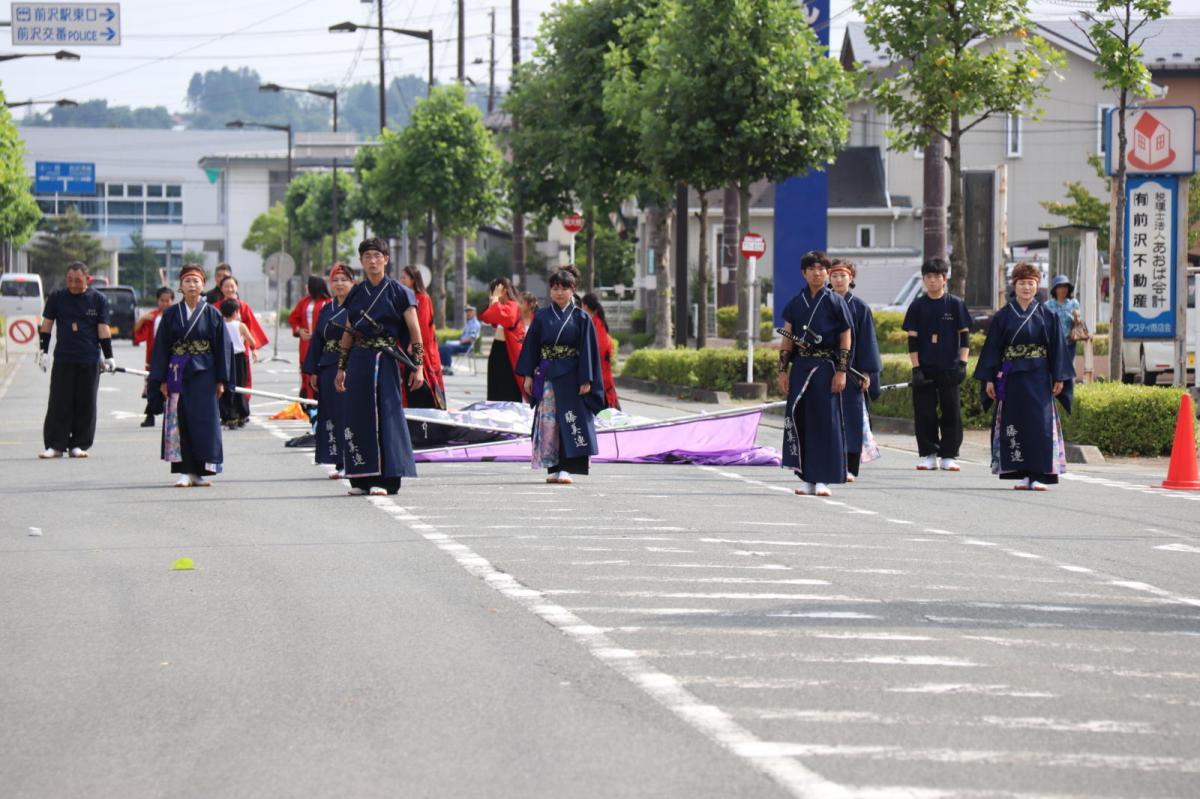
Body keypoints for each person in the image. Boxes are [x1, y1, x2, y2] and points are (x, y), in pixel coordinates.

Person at [333, 239, 424, 496]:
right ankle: (361, 479)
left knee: (386, 414)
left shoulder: (399, 292)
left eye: (377, 255)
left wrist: (418, 366)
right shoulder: (356, 293)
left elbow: (415, 331)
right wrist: (341, 367)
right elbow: (349, 330)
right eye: (367, 256)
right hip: (359, 359)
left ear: (386, 259)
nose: (372, 261)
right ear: (361, 261)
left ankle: (387, 480)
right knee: (358, 415)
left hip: (385, 359)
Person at [975, 262, 1075, 491]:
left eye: (1031, 283)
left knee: (1039, 424)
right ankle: (1022, 474)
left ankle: (1038, 474)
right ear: (1015, 285)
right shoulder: (1003, 316)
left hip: (1039, 377)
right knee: (1015, 423)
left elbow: (1058, 349)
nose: (1026, 288)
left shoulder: (1047, 315)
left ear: (1037, 286)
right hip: (1011, 377)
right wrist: (989, 378)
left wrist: (1059, 377)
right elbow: (992, 349)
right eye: (1022, 283)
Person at [516, 269, 606, 485]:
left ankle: (566, 467)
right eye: (555, 288)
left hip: (572, 376)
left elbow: (588, 351)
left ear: (573, 290)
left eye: (564, 288)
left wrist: (586, 379)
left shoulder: (581, 318)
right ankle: (553, 466)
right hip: (547, 375)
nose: (559, 292)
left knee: (570, 420)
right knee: (549, 422)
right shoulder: (542, 317)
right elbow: (531, 347)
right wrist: (528, 375)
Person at [147, 264, 232, 487]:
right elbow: (161, 348)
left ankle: (199, 471)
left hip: (205, 373)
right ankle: (184, 470)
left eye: (196, 281)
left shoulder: (212, 313)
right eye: (187, 281)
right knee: (181, 419)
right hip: (177, 372)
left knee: (204, 421)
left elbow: (222, 348)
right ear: (180, 286)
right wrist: (161, 379)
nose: (192, 285)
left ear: (203, 285)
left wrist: (221, 380)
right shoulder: (171, 314)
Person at [777, 251, 854, 497]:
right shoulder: (795, 303)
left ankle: (823, 478)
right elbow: (787, 338)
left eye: (821, 269)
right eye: (812, 269)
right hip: (800, 367)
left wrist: (841, 370)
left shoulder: (835, 301)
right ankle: (807, 477)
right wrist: (782, 370)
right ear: (804, 273)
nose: (817, 273)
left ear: (827, 273)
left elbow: (845, 336)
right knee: (801, 420)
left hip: (825, 368)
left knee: (825, 422)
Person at [36, 262, 115, 459]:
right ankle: (55, 445)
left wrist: (109, 356)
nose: (73, 284)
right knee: (59, 402)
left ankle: (79, 444)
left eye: (77, 280)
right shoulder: (57, 297)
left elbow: (103, 329)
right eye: (69, 280)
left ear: (87, 279)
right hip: (64, 357)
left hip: (89, 358)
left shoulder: (98, 299)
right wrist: (43, 351)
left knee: (86, 402)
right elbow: (47, 324)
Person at [902, 257, 972, 471]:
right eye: (928, 276)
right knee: (925, 412)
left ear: (945, 279)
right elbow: (912, 340)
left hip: (949, 367)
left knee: (951, 411)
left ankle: (949, 455)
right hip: (925, 368)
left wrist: (963, 364)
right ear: (924, 279)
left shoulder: (955, 304)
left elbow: (965, 337)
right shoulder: (917, 306)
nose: (932, 280)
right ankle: (929, 454)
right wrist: (916, 368)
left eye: (936, 276)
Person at [828, 260, 882, 480]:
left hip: (853, 372)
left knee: (851, 419)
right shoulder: (823, 304)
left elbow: (868, 341)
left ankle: (850, 467)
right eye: (834, 275)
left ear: (851, 278)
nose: (838, 280)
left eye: (843, 275)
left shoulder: (860, 308)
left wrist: (867, 373)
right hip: (826, 370)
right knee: (827, 418)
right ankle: (829, 464)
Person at [303, 263, 355, 479]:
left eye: (344, 280)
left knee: (349, 414)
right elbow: (317, 340)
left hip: (350, 365)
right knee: (331, 414)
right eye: (335, 280)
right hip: (327, 366)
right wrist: (314, 370)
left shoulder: (357, 307)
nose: (339, 284)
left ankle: (352, 461)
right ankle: (339, 462)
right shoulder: (327, 309)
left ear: (353, 282)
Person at [398, 265, 446, 409]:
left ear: (413, 279)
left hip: (421, 351)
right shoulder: (402, 298)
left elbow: (423, 326)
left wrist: (414, 344)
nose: (401, 281)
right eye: (401, 278)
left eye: (404, 278)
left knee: (425, 386)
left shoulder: (423, 298)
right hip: (404, 350)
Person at [132, 286, 175, 427]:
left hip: (173, 356)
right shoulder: (152, 316)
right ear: (158, 301)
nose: (165, 303)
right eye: (162, 300)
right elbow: (137, 332)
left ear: (172, 301)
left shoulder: (176, 315)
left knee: (173, 386)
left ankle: (172, 416)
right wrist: (143, 318)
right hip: (154, 357)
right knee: (153, 386)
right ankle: (150, 415)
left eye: (168, 300)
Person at [479, 277, 526, 402]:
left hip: (510, 352)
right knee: (496, 387)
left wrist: (495, 299)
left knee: (508, 388)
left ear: (503, 290)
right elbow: (487, 317)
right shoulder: (502, 305)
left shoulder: (513, 305)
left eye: (494, 291)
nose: (492, 295)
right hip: (499, 349)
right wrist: (494, 300)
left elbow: (507, 319)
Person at [218, 299, 259, 429]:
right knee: (240, 386)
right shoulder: (240, 326)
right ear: (236, 312)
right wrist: (254, 350)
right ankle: (242, 414)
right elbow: (252, 341)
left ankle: (228, 416)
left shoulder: (219, 325)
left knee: (225, 387)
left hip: (224, 358)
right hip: (239, 358)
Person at [288, 275, 332, 398]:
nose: (306, 286)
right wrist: (299, 331)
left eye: (309, 284)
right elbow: (293, 318)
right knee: (306, 372)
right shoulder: (304, 302)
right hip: (306, 344)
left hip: (323, 344)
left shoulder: (328, 302)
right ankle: (307, 401)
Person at [580, 292, 620, 410]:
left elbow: (594, 352)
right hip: (604, 376)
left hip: (598, 376)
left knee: (600, 412)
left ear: (585, 306)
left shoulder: (592, 324)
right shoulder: (599, 323)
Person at [1045, 274, 1082, 355]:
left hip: (1069, 342)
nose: (1063, 289)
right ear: (1055, 289)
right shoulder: (1048, 305)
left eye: (1065, 286)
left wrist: (1077, 317)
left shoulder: (1074, 303)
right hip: (1053, 343)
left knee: (1068, 363)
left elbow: (1078, 324)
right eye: (1060, 287)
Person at [438, 305, 481, 375]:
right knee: (442, 347)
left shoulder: (475, 324)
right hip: (462, 343)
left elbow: (471, 338)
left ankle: (448, 368)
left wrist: (460, 342)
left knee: (447, 348)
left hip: (467, 346)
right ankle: (445, 367)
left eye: (469, 312)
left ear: (474, 313)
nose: (467, 313)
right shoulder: (468, 323)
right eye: (467, 312)